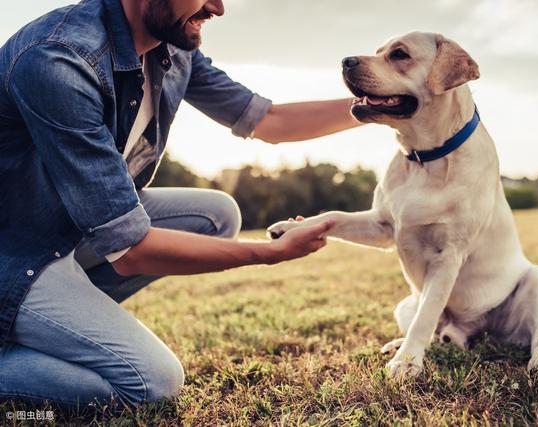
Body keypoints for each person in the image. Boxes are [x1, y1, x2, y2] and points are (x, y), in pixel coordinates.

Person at [0, 0, 360, 408]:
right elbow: (130, 249)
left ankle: (48, 326)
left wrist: (373, 108)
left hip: (66, 229)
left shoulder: (170, 47)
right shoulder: (59, 58)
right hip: (17, 254)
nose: (218, 8)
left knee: (217, 215)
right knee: (151, 383)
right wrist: (268, 253)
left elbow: (269, 120)